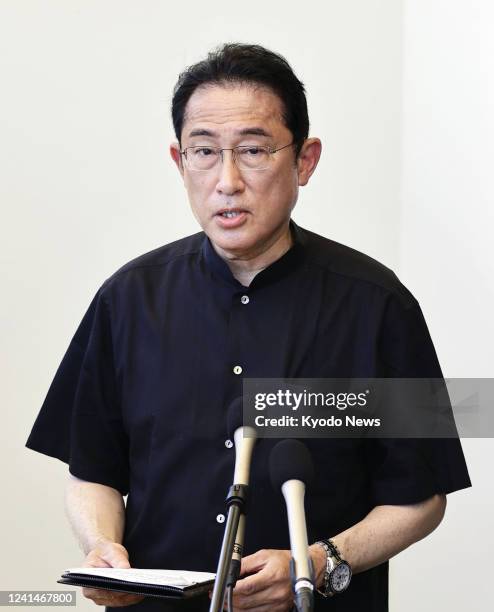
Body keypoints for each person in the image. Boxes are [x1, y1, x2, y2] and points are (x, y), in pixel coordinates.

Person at [26, 43, 471, 612]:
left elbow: (422, 496)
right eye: (204, 152)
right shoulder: (128, 299)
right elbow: (92, 472)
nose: (227, 180)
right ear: (178, 161)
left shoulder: (379, 305)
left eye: (254, 150)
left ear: (304, 160)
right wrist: (102, 547)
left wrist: (321, 561)